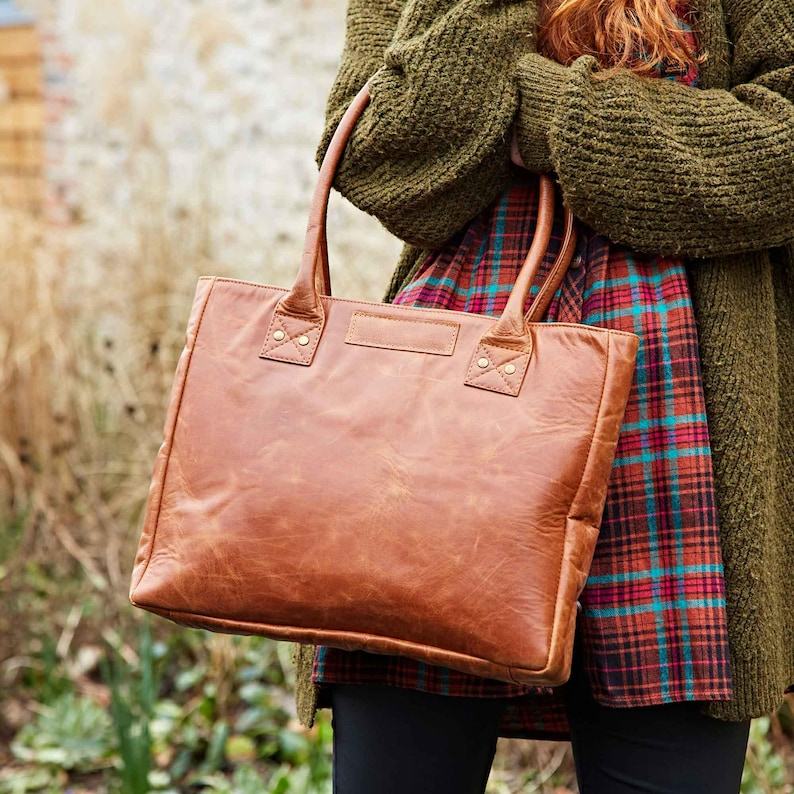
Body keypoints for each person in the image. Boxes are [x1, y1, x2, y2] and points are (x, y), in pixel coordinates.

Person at [290, 1, 794, 791]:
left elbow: (780, 157)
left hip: (676, 446)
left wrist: (545, 110)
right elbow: (383, 161)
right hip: (440, 438)